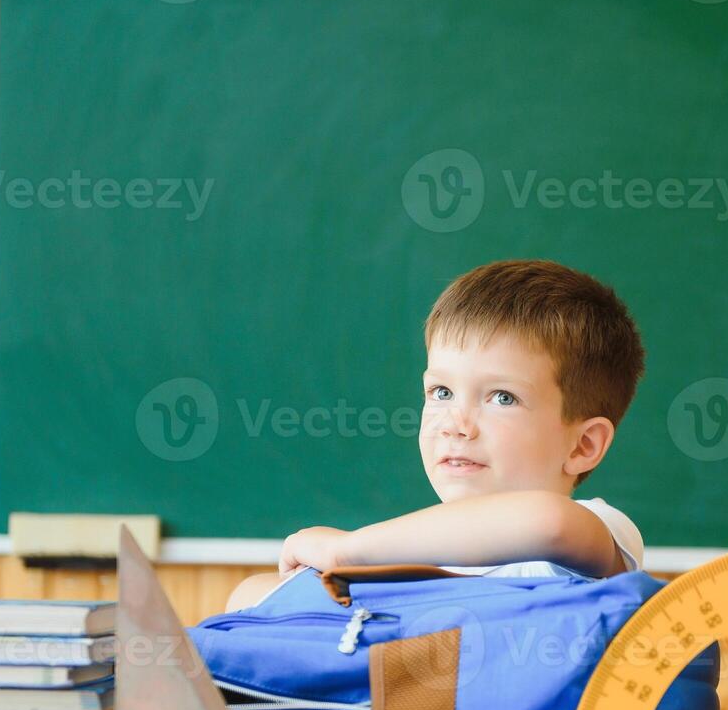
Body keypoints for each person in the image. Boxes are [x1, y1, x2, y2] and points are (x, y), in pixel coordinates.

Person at [226, 259, 647, 611]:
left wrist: (346, 552)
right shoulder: (410, 555)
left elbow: (549, 523)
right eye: (441, 392)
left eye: (502, 397)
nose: (456, 423)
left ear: (583, 445)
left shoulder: (598, 534)